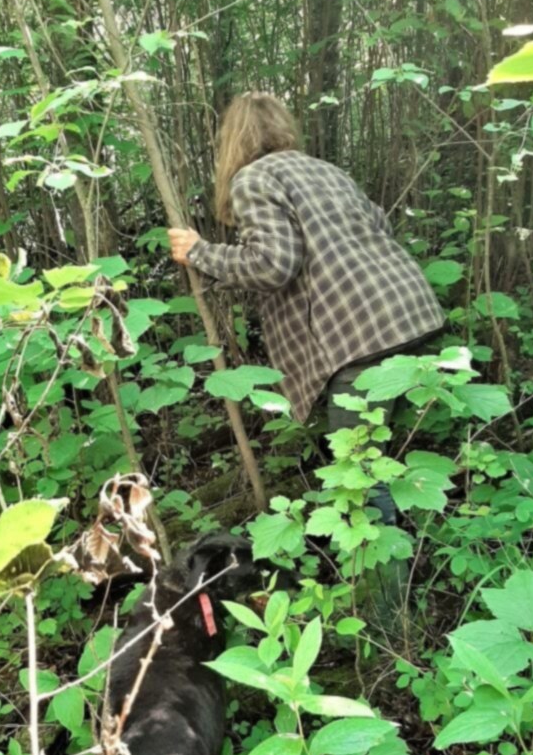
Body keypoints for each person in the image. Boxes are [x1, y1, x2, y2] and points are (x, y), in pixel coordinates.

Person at [168, 91, 445, 533]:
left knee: (358, 476)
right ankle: (412, 551)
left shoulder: (252, 180)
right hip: (407, 314)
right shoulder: (325, 170)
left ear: (232, 141)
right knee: (378, 459)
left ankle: (385, 597)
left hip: (361, 337)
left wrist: (201, 252)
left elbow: (273, 263)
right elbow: (380, 226)